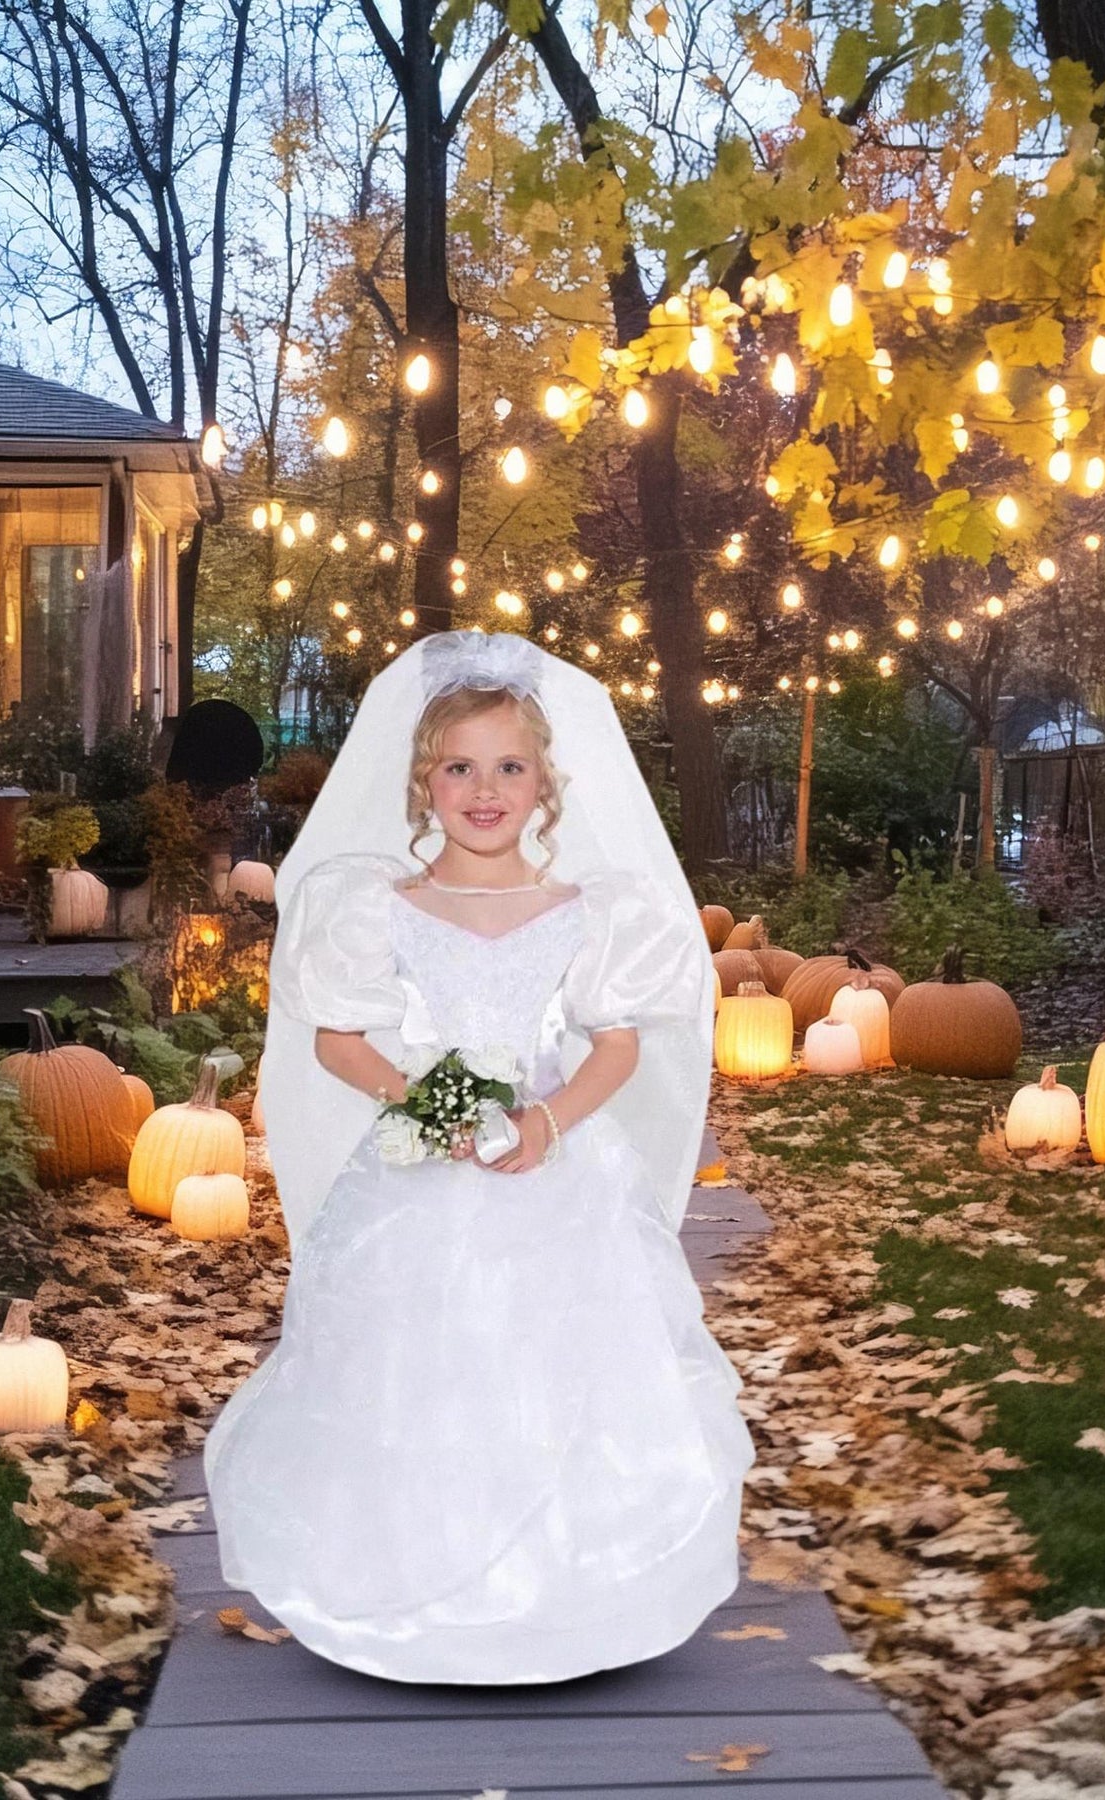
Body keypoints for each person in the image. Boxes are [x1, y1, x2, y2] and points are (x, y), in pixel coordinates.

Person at [202, 629, 755, 1685]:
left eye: (510, 765)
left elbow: (621, 1043)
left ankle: (566, 1592)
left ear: (546, 781)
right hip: (422, 1159)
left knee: (562, 1357)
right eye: (460, 766)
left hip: (555, 1166)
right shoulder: (384, 906)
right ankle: (412, 1577)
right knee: (418, 1359)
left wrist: (548, 1120)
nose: (485, 787)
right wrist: (426, 1104)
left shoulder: (587, 913)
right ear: (425, 782)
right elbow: (338, 1037)